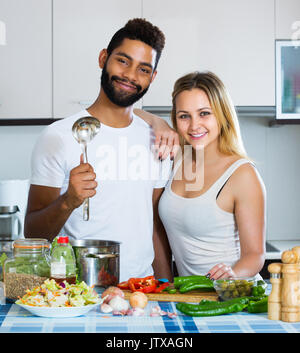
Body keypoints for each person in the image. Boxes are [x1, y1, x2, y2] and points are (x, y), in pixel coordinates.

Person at [24, 18, 179, 282]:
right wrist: (68, 201)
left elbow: (153, 226)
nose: (130, 75)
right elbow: (34, 233)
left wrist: (166, 290)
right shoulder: (58, 137)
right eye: (123, 61)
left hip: (141, 290)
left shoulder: (158, 141)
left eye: (143, 69)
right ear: (103, 58)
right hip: (79, 293)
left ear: (152, 78)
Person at [138, 71, 266, 280]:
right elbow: (132, 113)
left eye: (204, 113)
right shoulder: (177, 157)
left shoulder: (242, 174)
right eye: (184, 116)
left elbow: (255, 255)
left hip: (233, 297)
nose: (194, 125)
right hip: (190, 297)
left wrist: (232, 273)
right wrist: (159, 123)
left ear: (222, 114)